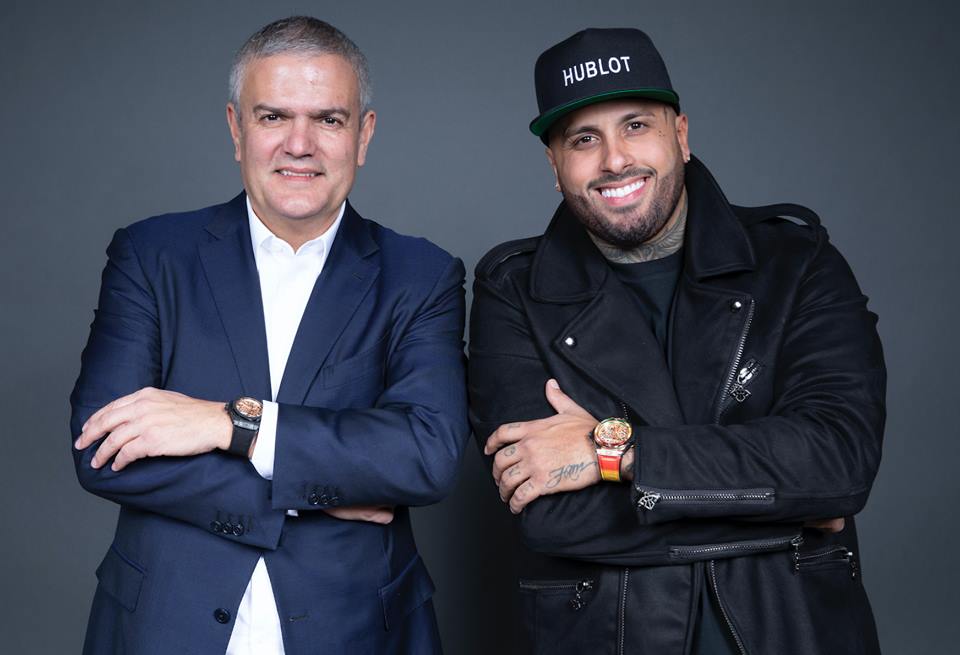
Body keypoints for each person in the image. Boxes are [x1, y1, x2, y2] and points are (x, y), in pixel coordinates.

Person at [469, 28, 884, 654]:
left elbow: (838, 464)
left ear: (681, 136)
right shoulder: (513, 292)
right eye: (584, 139)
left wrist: (612, 453)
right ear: (554, 166)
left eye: (636, 126)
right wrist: (790, 508)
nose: (614, 161)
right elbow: (551, 517)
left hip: (793, 632)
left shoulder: (797, 262)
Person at [71, 16, 467, 655]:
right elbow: (102, 445)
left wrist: (232, 425)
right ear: (237, 129)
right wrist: (311, 488)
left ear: (363, 134)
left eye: (329, 119)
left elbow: (426, 455)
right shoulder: (150, 254)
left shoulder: (422, 275)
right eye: (274, 117)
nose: (299, 144)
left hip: (355, 631)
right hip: (164, 625)